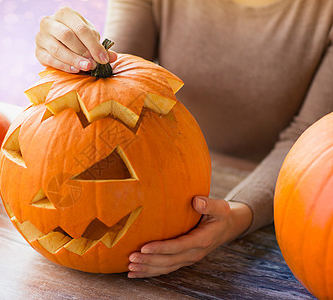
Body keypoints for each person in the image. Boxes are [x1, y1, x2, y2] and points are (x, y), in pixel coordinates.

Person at [35, 0, 333, 278]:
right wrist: (74, 55)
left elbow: (309, 138)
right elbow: (111, 89)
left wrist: (238, 215)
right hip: (152, 178)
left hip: (276, 199)